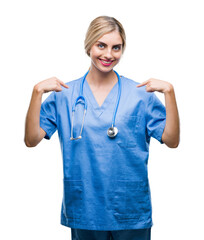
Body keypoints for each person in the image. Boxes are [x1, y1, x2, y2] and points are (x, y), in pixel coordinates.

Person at [24, 16, 180, 240]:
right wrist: (36, 92)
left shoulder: (140, 94)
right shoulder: (65, 94)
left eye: (116, 47)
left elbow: (172, 141)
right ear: (89, 46)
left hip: (129, 208)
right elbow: (31, 140)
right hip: (86, 206)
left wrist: (170, 93)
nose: (108, 54)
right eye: (101, 45)